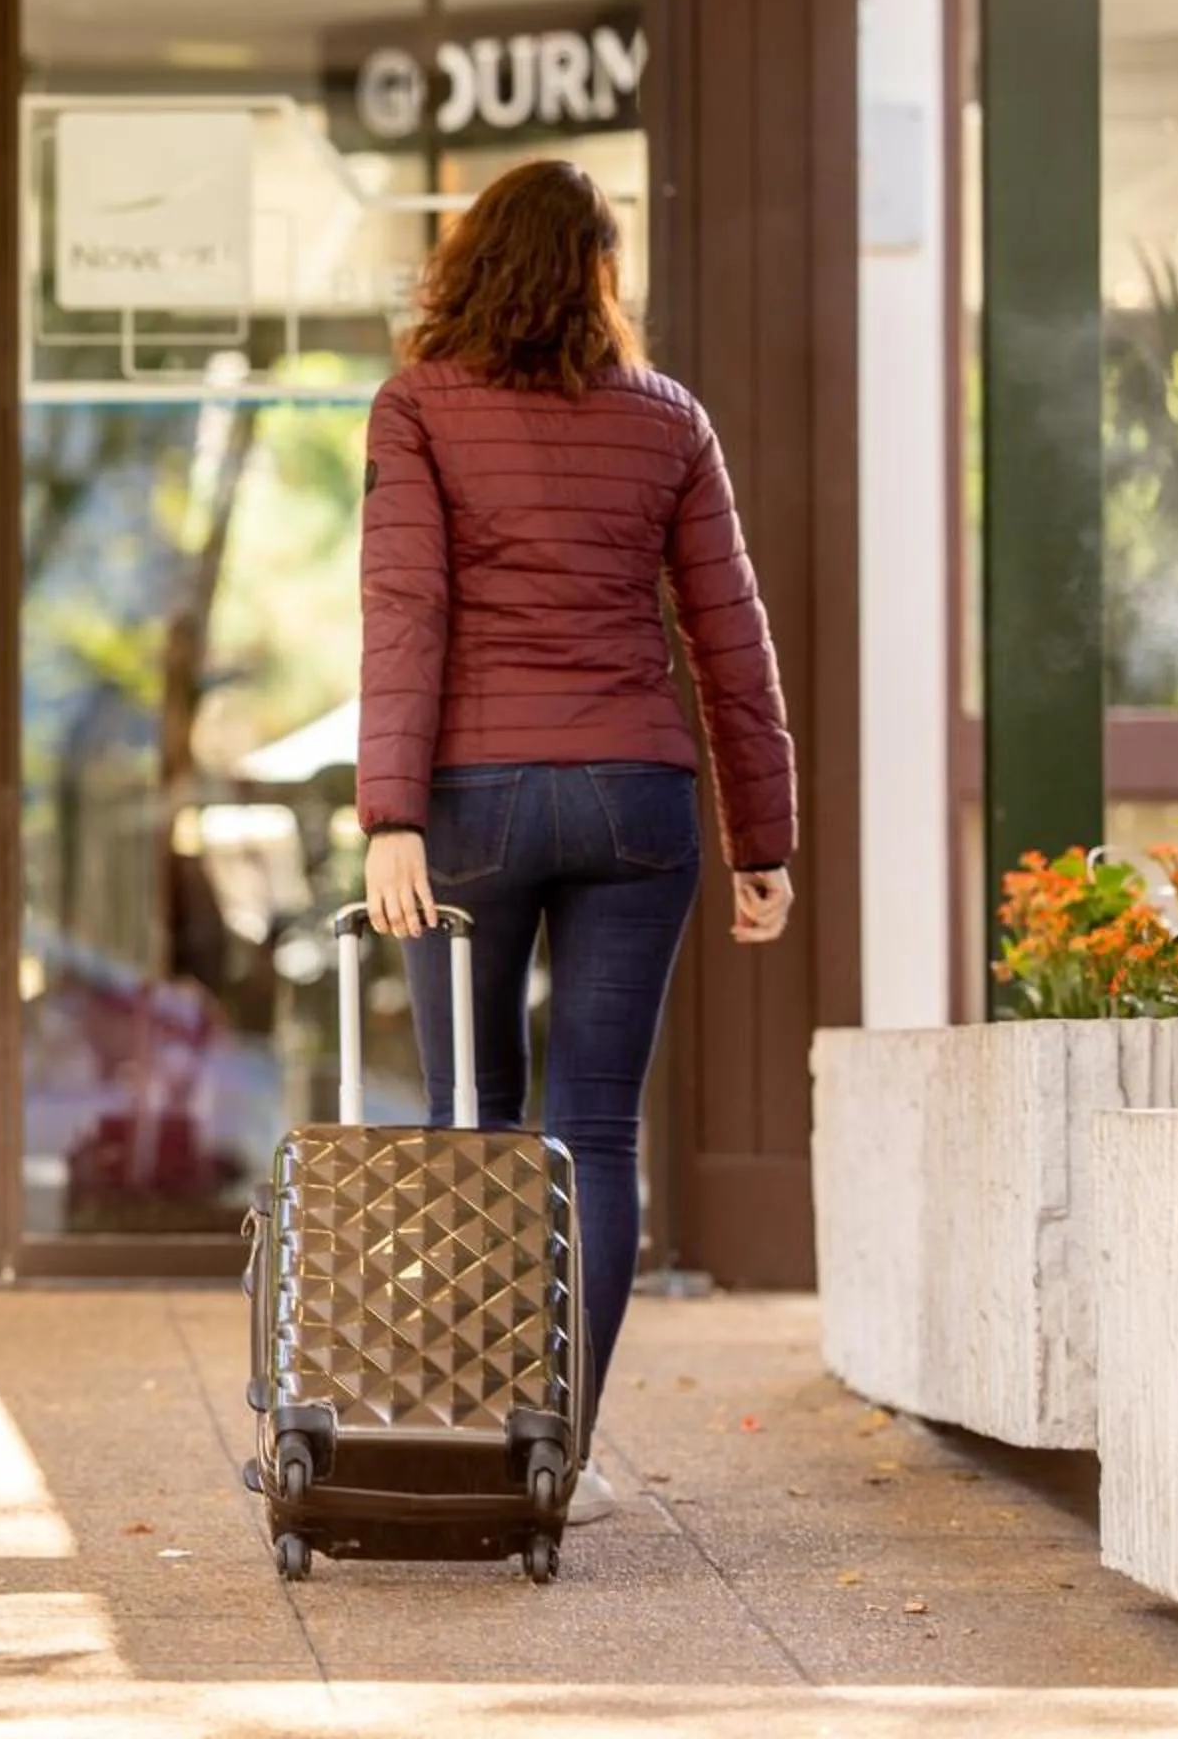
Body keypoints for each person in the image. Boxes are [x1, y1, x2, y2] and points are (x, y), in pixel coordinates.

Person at [354, 159, 796, 1529]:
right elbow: (730, 634)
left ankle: (473, 1432)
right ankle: (562, 1453)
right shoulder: (669, 419)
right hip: (634, 800)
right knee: (595, 1132)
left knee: (471, 1124)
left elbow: (405, 611)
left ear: (469, 264)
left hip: (473, 804)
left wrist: (391, 817)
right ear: (602, 273)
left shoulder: (417, 404)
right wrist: (761, 836)